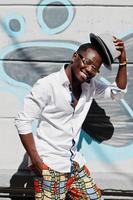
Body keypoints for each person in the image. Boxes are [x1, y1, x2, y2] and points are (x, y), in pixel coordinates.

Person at [15, 35, 127, 200]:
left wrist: (123, 60)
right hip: (51, 166)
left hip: (75, 163)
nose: (89, 70)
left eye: (95, 69)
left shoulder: (90, 86)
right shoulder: (47, 85)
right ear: (75, 56)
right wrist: (36, 161)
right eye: (87, 62)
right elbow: (23, 121)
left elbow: (118, 92)